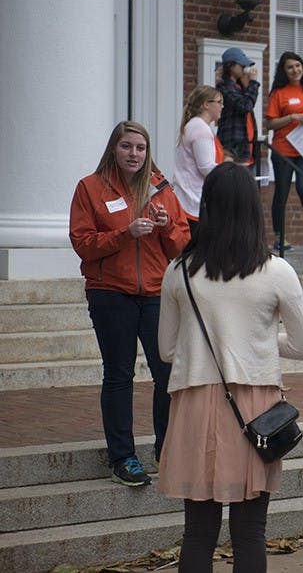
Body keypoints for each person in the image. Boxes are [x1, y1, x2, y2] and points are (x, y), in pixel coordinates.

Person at [157, 162, 303, 571]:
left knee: (197, 533)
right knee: (249, 533)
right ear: (253, 208)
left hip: (194, 401)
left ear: (206, 206)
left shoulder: (179, 271)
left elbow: (167, 350)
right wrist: (257, 342)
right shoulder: (277, 271)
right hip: (256, 409)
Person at [69, 121, 190, 487]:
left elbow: (182, 247)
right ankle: (123, 458)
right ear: (114, 149)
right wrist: (126, 234)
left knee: (167, 373)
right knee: (119, 375)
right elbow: (83, 242)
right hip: (111, 294)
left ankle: (167, 449)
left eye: (140, 147)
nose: (134, 154)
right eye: (126, 147)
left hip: (156, 294)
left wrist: (168, 226)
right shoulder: (90, 188)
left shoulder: (162, 188)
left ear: (147, 152)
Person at [264, 51, 303, 252]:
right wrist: (291, 118)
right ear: (284, 70)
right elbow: (270, 123)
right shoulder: (278, 93)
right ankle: (280, 237)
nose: (295, 70)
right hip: (284, 149)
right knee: (282, 192)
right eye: (290, 67)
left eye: (298, 65)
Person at [174, 85, 225, 235]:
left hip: (189, 199)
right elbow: (206, 167)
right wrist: (230, 171)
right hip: (194, 202)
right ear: (206, 105)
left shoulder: (194, 126)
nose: (222, 106)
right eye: (219, 102)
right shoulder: (201, 129)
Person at [215, 47, 260, 165]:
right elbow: (245, 106)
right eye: (241, 65)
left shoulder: (240, 87)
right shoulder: (223, 87)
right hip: (232, 145)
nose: (244, 68)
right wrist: (253, 83)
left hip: (246, 144)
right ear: (231, 66)